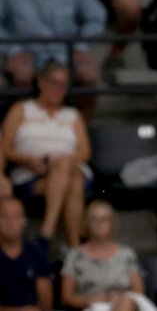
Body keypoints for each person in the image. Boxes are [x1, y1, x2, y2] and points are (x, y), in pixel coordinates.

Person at [0, 0, 105, 121]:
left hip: (67, 53)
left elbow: (97, 16)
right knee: (22, 74)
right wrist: (12, 50)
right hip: (29, 53)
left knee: (89, 75)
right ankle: (24, 127)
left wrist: (81, 46)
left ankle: (81, 128)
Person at [1, 61, 91, 250]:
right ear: (41, 82)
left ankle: (45, 235)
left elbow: (84, 152)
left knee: (67, 168)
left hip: (69, 167)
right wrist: (28, 160)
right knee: (73, 181)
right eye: (53, 82)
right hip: (31, 173)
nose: (57, 89)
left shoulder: (73, 115)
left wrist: (58, 161)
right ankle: (74, 250)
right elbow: (5, 148)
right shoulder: (21, 109)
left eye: (63, 84)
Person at [60, 200, 157, 311]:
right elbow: (67, 296)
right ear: (87, 222)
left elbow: (138, 290)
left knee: (126, 302)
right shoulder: (75, 255)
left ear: (112, 223)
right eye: (95, 219)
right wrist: (89, 300)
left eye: (105, 219)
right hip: (93, 306)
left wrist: (118, 298)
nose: (100, 223)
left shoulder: (126, 253)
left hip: (125, 304)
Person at [0, 196, 53, 311]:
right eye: (4, 216)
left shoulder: (36, 254)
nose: (10, 222)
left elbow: (46, 304)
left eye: (15, 216)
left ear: (24, 220)